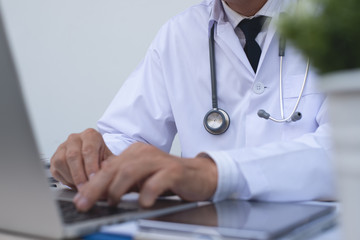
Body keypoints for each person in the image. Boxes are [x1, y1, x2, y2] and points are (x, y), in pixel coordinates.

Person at [50, 0, 335, 212]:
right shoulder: (179, 33)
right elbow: (130, 136)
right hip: (206, 228)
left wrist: (214, 173)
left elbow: (345, 153)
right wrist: (95, 158)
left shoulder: (340, 23)